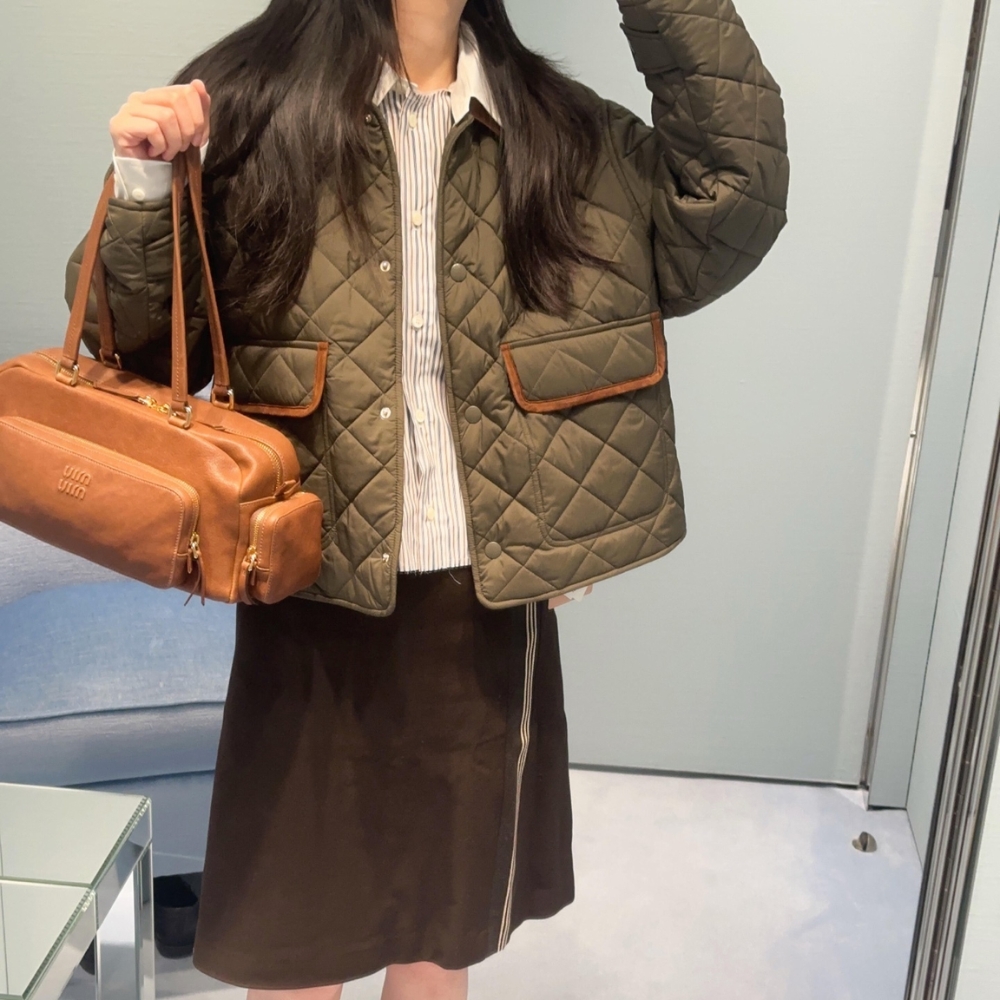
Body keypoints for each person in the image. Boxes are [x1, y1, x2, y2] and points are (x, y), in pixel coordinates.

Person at [65, 0, 788, 996]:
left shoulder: (557, 129)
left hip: (482, 597)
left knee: (440, 933)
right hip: (313, 594)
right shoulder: (252, 105)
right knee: (296, 940)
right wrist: (147, 181)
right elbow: (135, 346)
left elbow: (731, 198)